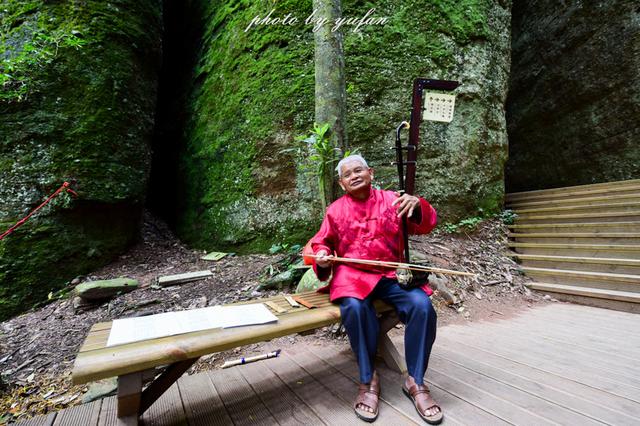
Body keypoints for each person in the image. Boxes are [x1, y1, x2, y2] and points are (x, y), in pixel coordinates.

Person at [309, 154, 442, 424]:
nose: (354, 176)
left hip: (392, 272)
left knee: (422, 306)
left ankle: (415, 381)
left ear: (370, 173)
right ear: (342, 183)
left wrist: (417, 205)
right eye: (348, 174)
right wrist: (322, 254)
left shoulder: (393, 199)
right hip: (352, 276)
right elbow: (321, 243)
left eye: (359, 170)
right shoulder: (335, 210)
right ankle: (368, 380)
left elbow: (425, 224)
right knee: (355, 308)